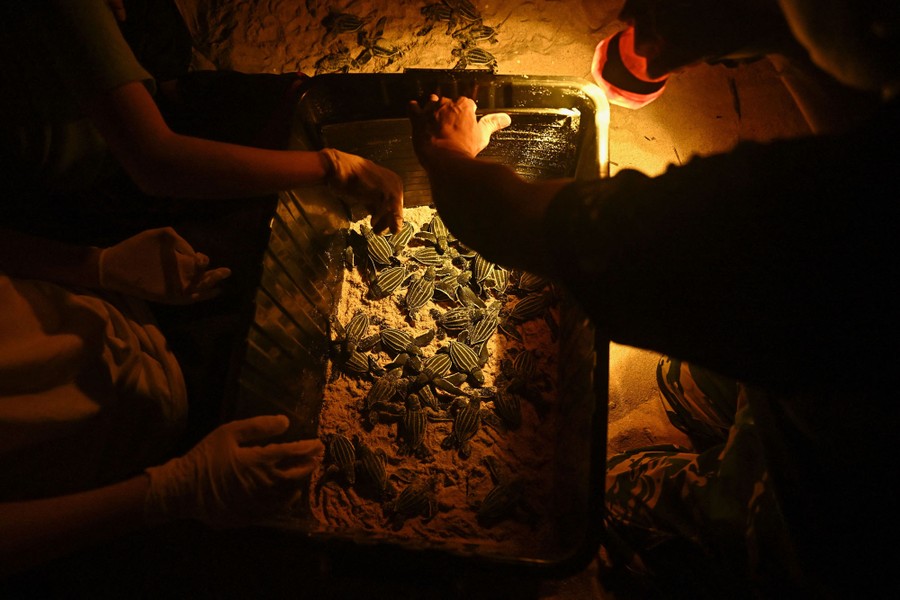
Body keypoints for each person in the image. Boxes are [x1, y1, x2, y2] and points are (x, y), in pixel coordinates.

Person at [409, 0, 898, 596]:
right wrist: (775, 30)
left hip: (847, 522)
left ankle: (724, 533)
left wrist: (447, 152)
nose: (638, 13)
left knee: (616, 492)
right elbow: (847, 93)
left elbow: (505, 222)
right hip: (842, 388)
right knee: (686, 377)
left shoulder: (788, 225)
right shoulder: (870, 131)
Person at [1, 0, 404, 577]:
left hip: (92, 295)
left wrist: (98, 268)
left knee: (268, 139)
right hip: (140, 415)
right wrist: (172, 491)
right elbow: (157, 160)